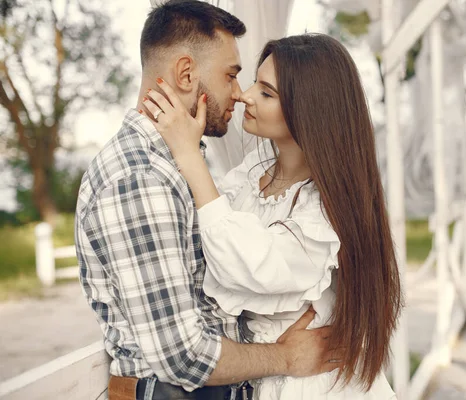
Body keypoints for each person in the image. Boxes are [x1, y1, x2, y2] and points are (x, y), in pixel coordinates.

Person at [74, 2, 341, 400]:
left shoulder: (174, 165)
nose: (239, 93)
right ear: (186, 74)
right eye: (231, 75)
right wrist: (285, 357)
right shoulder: (140, 178)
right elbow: (183, 356)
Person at [140, 33, 403, 399]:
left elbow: (243, 264)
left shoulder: (323, 212)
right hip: (268, 375)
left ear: (309, 110)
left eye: (266, 93)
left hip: (314, 386)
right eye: (253, 83)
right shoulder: (252, 174)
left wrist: (188, 155)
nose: (245, 95)